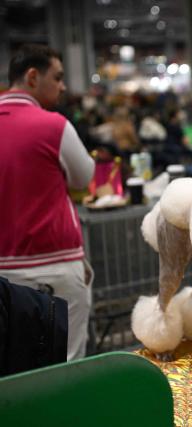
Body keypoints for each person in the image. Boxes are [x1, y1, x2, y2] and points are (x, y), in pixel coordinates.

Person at [0, 44, 95, 360]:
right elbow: (84, 176)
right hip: (55, 263)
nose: (63, 85)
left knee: (12, 367)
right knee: (65, 364)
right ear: (31, 77)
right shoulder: (54, 125)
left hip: (3, 271)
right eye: (58, 77)